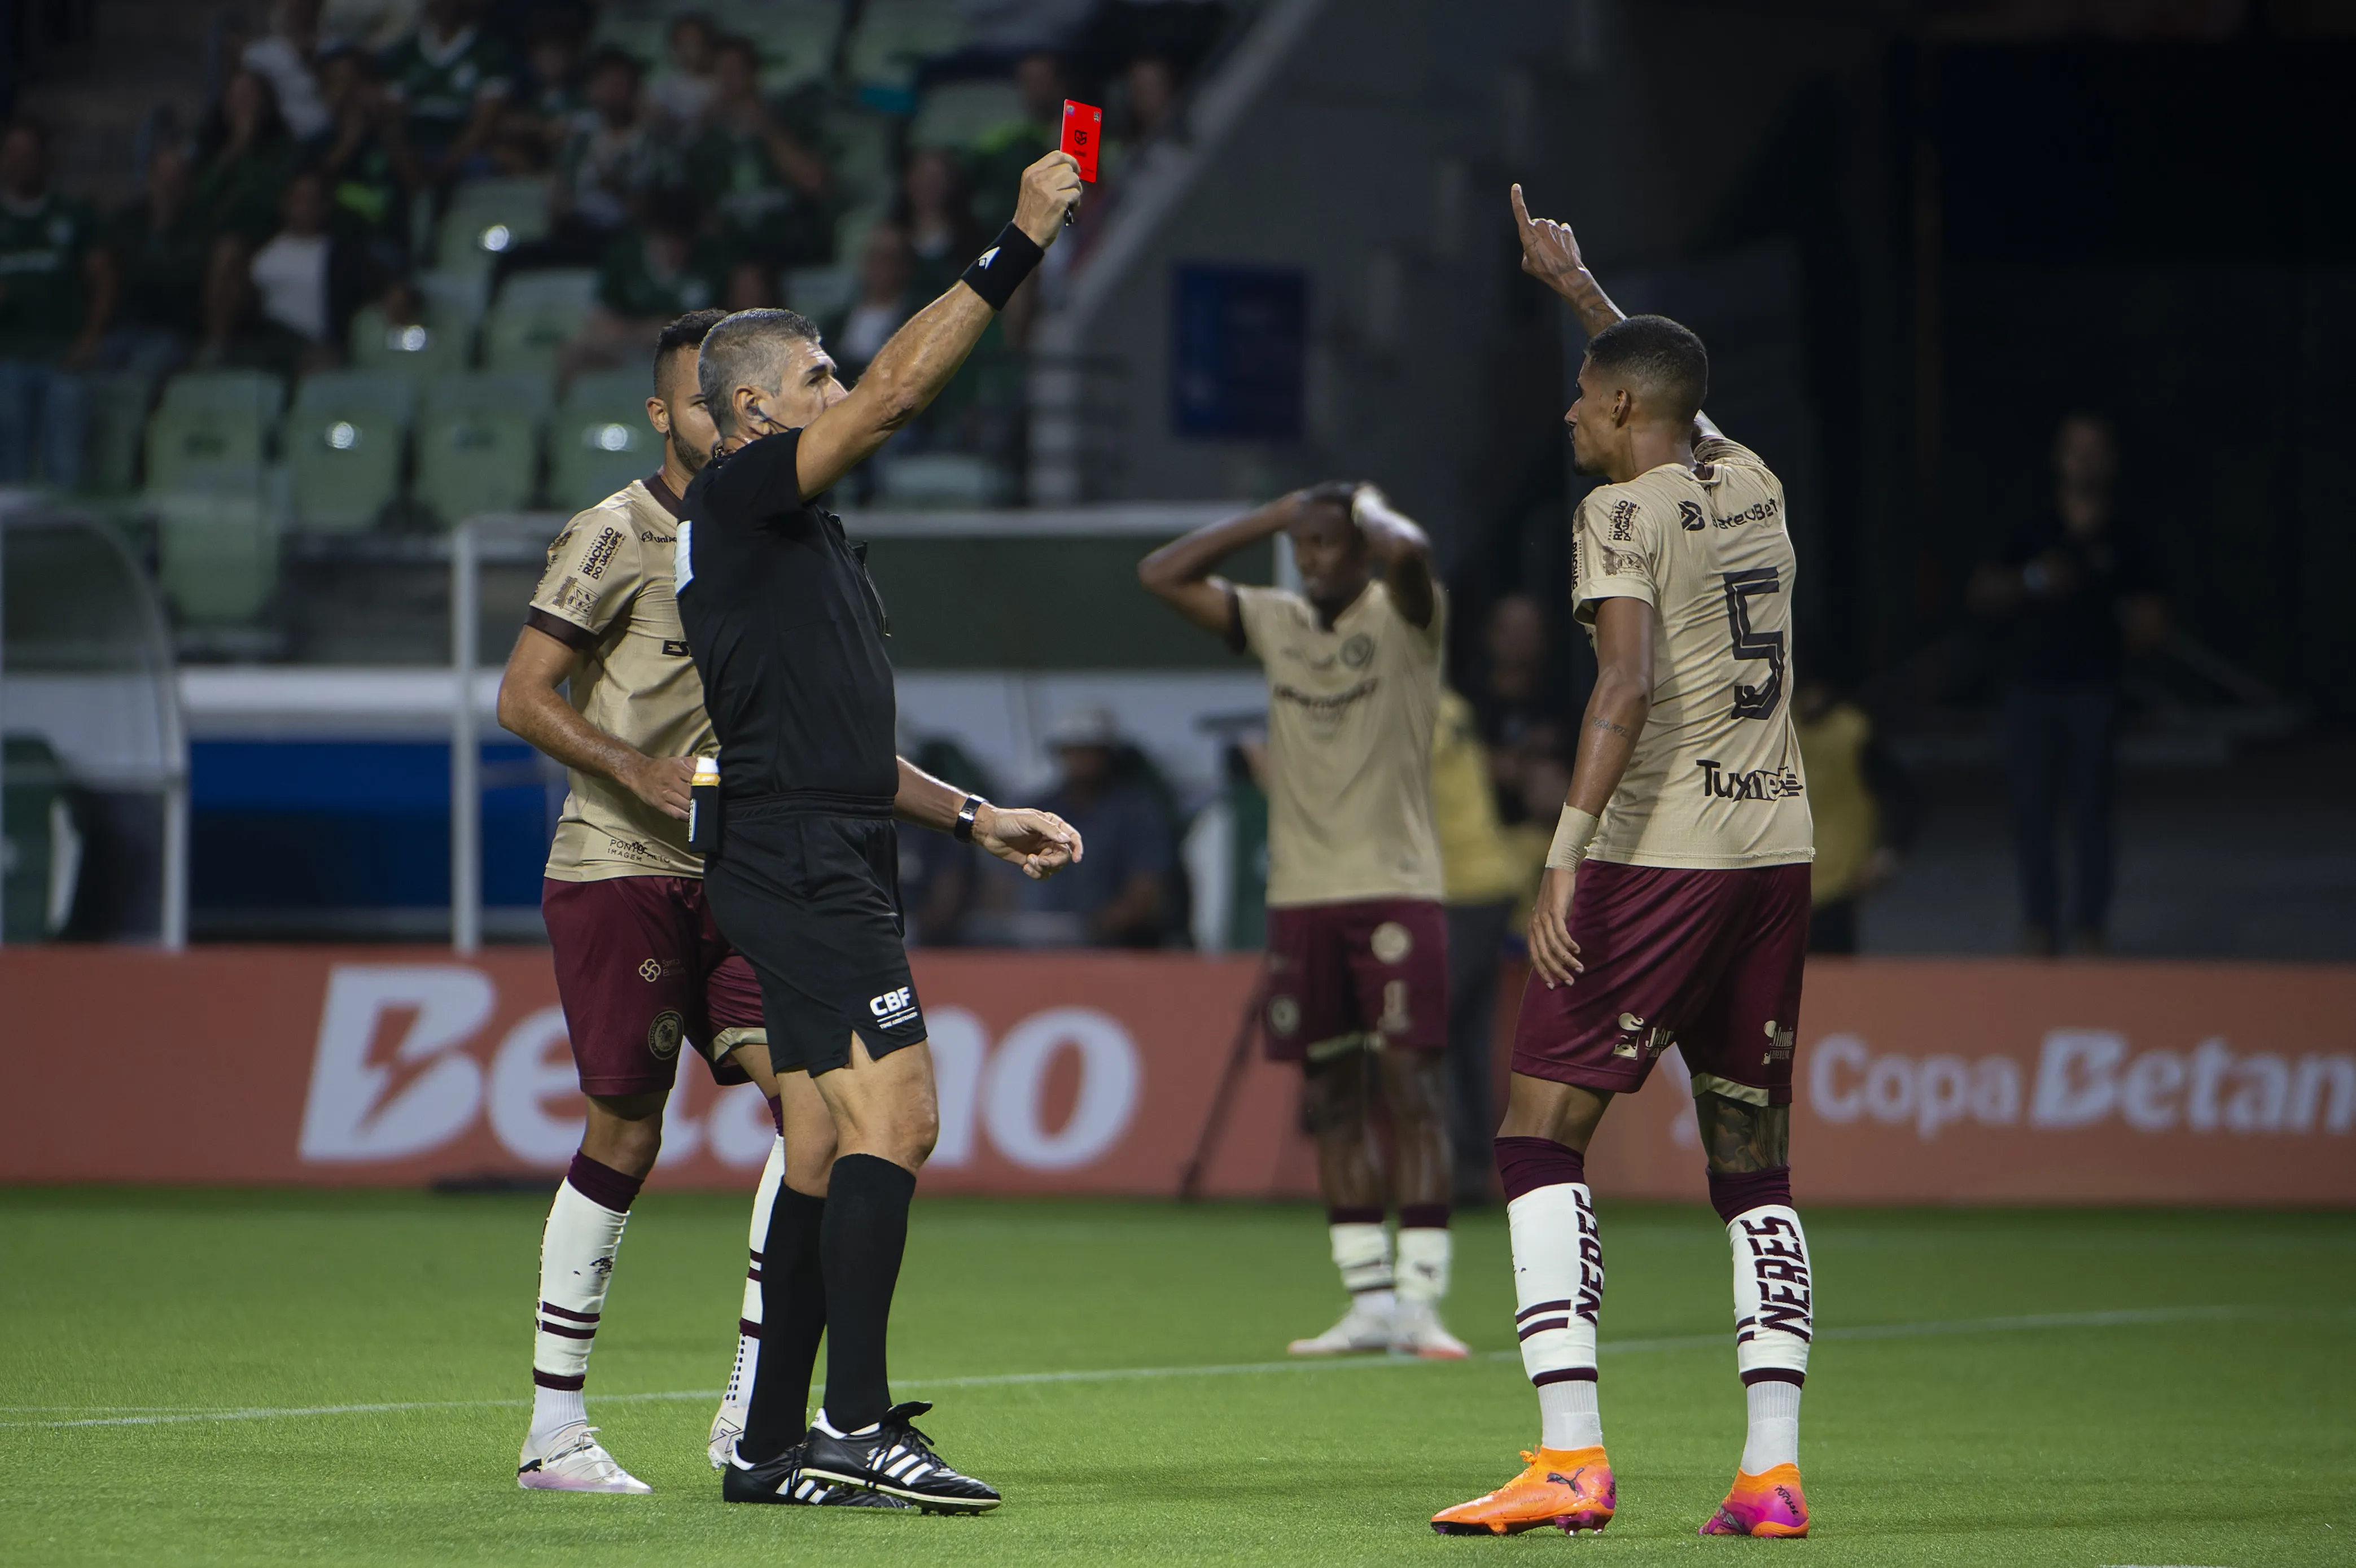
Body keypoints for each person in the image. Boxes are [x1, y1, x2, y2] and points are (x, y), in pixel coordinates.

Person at [681, 148, 1087, 1512]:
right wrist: (1017, 241)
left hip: (822, 838)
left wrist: (976, 814)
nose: (842, 392)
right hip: (796, 859)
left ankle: (764, 1444)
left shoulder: (803, 540)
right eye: (816, 381)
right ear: (748, 412)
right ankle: (855, 1420)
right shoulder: (737, 499)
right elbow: (908, 386)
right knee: (900, 1118)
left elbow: (844, 748)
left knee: (818, 1144)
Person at [1431, 190, 1818, 1540]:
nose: (1570, 416)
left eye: (1583, 397)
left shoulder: (1621, 513)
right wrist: (1582, 290)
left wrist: (1562, 854)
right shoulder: (1750, 474)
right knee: (1751, 1159)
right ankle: (1770, 1473)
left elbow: (1625, 685)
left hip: (1658, 854)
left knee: (1536, 1137)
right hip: (1777, 847)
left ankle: (1567, 1453)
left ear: (1619, 412)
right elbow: (1677, 388)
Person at [494, 309, 818, 1499]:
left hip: (745, 875)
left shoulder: (778, 534)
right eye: (693, 404)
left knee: (815, 1107)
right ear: (663, 415)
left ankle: (750, 1406)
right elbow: (523, 696)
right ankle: (553, 1432)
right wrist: (635, 770)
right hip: (620, 866)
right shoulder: (617, 532)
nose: (718, 423)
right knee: (627, 1130)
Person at [1139, 482, 1468, 1360]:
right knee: (1328, 1098)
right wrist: (1274, 514)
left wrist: (1376, 516)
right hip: (1300, 898)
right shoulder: (1275, 619)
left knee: (1412, 1093)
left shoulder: (1407, 618)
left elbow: (1409, 559)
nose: (1316, 560)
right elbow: (1161, 573)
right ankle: (1366, 1300)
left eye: (1331, 545)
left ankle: (1420, 1300)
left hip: (1394, 888)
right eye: (1306, 547)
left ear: (1361, 547)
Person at [1968, 413, 2165, 956]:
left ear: (2110, 460)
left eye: (2096, 450)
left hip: (2095, 690)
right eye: (2076, 450)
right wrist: (2033, 580)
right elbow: (1983, 592)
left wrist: (2132, 623)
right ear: (2060, 458)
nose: (2086, 460)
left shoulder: (2125, 532)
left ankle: (2090, 928)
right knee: (2032, 810)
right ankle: (2038, 925)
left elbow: (2153, 615)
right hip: (2030, 688)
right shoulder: (2031, 524)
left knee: (2093, 812)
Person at [1430, 685, 1522, 1204]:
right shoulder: (1451, 703)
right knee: (1465, 1033)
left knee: (1428, 1026)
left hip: (1461, 887)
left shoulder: (1406, 711)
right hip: (1488, 880)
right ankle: (1470, 1171)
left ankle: (1447, 1166)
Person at [0, 120, 115, 488]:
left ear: (47, 160)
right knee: (9, 471)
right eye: (14, 153)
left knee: (65, 465)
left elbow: (104, 279)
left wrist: (90, 337)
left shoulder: (74, 213)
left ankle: (67, 535)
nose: (23, 162)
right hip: (7, 359)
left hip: (63, 357)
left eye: (31, 153)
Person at [1002, 704, 1175, 948]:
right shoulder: (1036, 812)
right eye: (1073, 751)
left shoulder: (1137, 814)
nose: (1081, 759)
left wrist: (1088, 930)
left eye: (1089, 750)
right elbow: (1002, 884)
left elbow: (1146, 893)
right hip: (1033, 948)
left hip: (1112, 950)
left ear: (1107, 754)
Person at [1792, 676, 1914, 954]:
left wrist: (1888, 853)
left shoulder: (1854, 733)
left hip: (1837, 882)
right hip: (1784, 878)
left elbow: (1904, 796)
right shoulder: (1779, 726)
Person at [378, 0, 514, 183]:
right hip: (413, 147)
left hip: (464, 148)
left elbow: (486, 119)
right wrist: (406, 162)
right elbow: (391, 118)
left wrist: (449, 163)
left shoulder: (489, 52)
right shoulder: (404, 53)